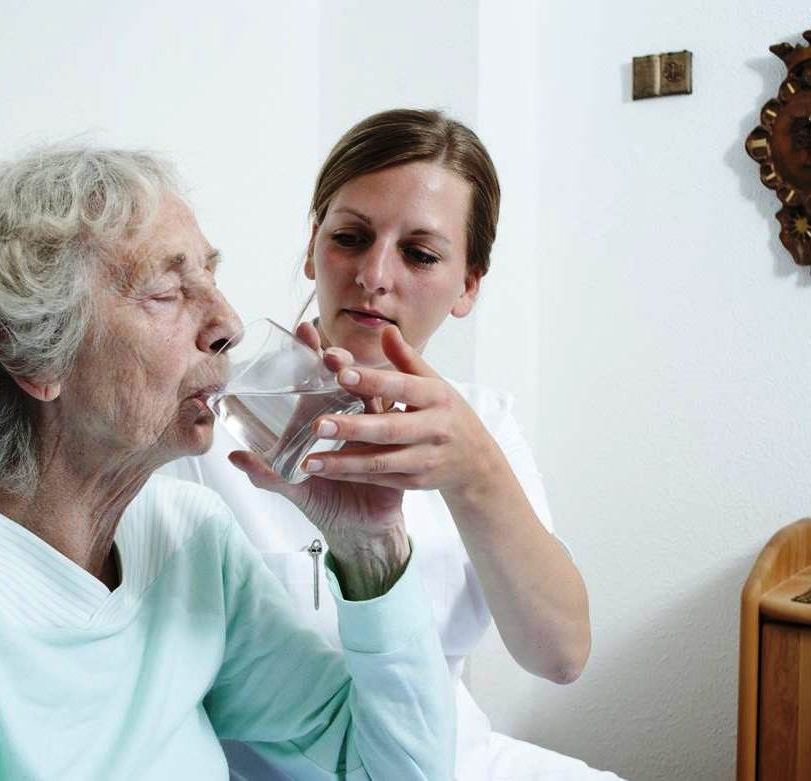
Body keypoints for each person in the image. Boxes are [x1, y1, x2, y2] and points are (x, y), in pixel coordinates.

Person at [0, 148, 456, 779]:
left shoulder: (190, 538)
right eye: (165, 292)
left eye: (210, 277)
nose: (228, 322)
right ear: (28, 351)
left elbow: (387, 767)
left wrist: (370, 548)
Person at [164, 109, 623, 780]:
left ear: (467, 284)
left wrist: (474, 472)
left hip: (459, 760)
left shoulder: (484, 425)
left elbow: (559, 656)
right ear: (311, 245)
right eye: (349, 237)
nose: (374, 274)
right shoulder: (208, 425)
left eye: (420, 253)